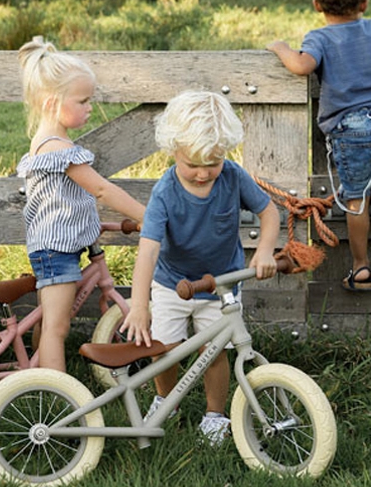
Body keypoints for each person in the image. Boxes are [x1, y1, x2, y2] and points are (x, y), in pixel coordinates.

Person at [119, 90, 280, 445]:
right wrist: (140, 304)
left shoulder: (233, 177)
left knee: (216, 353)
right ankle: (166, 400)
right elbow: (147, 251)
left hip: (220, 285)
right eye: (193, 164)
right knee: (163, 347)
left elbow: (269, 212)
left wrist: (265, 250)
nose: (204, 173)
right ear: (173, 150)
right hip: (171, 281)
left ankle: (214, 416)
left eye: (214, 162)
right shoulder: (165, 192)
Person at [267, 0, 371, 292]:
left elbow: (302, 66)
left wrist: (280, 48)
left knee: (356, 201)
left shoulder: (319, 38)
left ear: (317, 5)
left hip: (351, 130)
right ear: (364, 3)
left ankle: (361, 266)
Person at [16, 36, 144, 372]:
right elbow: (101, 190)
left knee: (50, 322)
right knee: (58, 329)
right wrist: (148, 216)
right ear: (51, 102)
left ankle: (36, 375)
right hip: (55, 253)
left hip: (58, 248)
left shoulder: (48, 142)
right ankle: (57, 396)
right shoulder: (58, 150)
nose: (90, 107)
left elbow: (65, 203)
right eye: (83, 100)